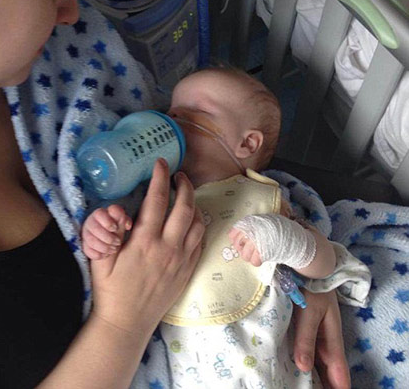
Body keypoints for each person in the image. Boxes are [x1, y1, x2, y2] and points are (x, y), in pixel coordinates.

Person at [0, 0, 351, 388]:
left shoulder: (68, 51)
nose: (73, 11)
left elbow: (210, 166)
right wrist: (123, 322)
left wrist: (302, 263)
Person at [83, 68, 370, 387]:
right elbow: (129, 259)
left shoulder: (262, 199)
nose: (172, 116)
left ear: (247, 143)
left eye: (197, 111)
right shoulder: (157, 198)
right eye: (171, 110)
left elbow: (325, 265)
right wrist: (104, 233)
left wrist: (286, 240)